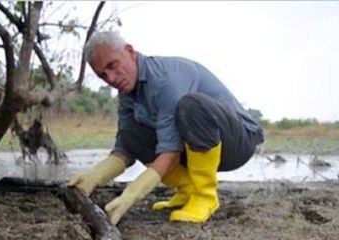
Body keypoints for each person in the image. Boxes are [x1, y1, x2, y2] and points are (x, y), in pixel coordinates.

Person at [69, 31, 264, 224]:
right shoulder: (127, 94)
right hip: (193, 146)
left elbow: (170, 153)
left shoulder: (167, 79)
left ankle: (205, 196)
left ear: (129, 51)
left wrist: (131, 194)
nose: (110, 78)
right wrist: (94, 176)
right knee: (131, 133)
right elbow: (125, 149)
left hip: (237, 142)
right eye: (103, 75)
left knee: (192, 106)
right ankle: (187, 190)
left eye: (112, 65)